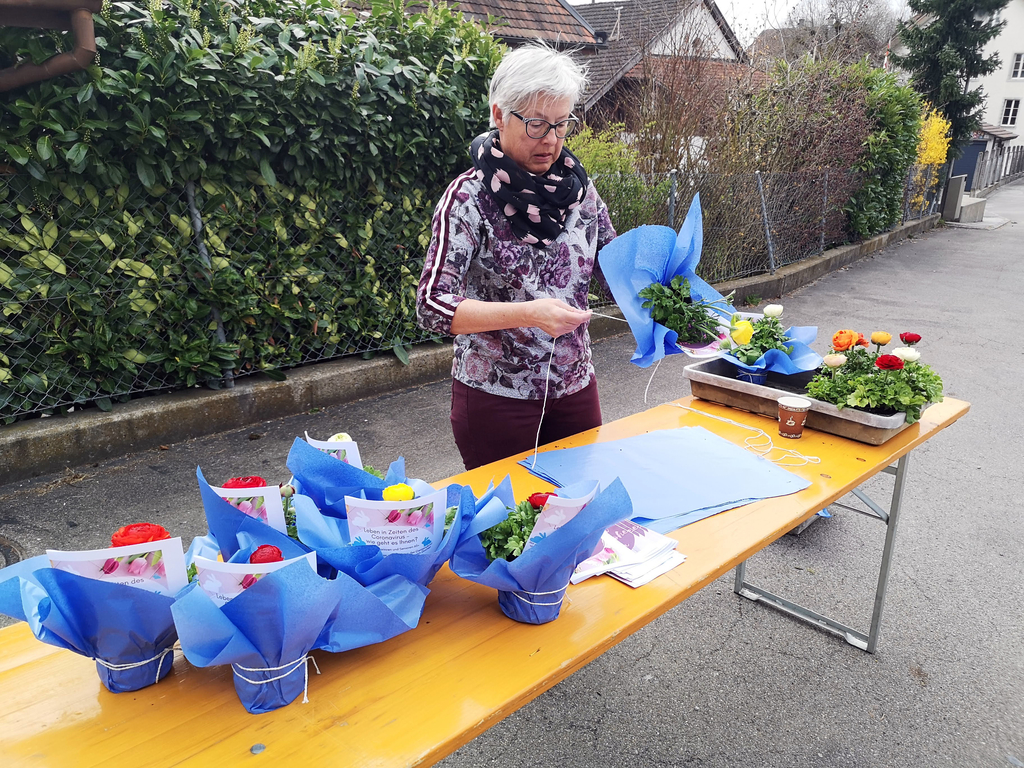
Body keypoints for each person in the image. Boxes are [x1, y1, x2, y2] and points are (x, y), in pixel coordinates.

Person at [417, 43, 616, 470]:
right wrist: (529, 313)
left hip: (575, 389)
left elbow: (612, 270)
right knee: (510, 511)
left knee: (581, 501)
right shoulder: (468, 198)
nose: (551, 140)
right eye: (537, 124)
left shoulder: (580, 192)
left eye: (562, 124)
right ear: (499, 115)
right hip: (496, 399)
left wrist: (667, 296)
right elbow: (432, 305)